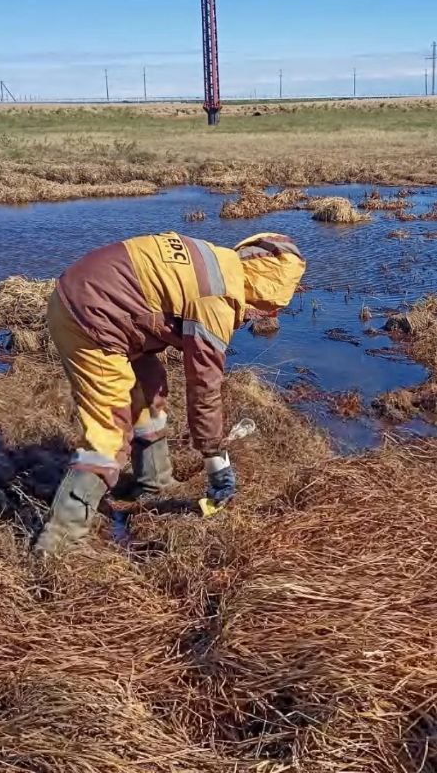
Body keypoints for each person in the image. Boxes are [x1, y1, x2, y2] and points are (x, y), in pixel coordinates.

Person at [33, 229, 306, 554]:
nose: (261, 315)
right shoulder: (218, 299)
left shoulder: (219, 260)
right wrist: (213, 455)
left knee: (150, 389)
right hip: (89, 319)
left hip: (104, 305)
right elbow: (204, 384)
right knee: (108, 435)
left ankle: (154, 481)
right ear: (263, 288)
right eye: (267, 307)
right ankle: (59, 544)